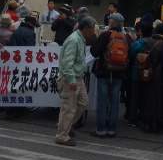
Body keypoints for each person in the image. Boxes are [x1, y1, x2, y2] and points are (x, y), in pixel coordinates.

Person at [55, 16, 97, 146]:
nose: (93, 32)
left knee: (83, 102)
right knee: (69, 108)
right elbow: (67, 62)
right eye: (92, 29)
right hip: (70, 78)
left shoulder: (80, 39)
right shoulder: (74, 40)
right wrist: (71, 80)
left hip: (78, 77)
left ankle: (66, 125)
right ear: (86, 29)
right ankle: (62, 136)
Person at [89, 12, 128, 138]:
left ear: (112, 22)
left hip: (104, 72)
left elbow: (94, 51)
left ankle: (101, 129)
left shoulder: (106, 35)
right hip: (119, 73)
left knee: (102, 101)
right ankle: (111, 130)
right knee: (115, 102)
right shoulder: (125, 37)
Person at [140, 22, 163, 133]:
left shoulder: (149, 41)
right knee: (158, 99)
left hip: (148, 73)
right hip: (158, 75)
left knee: (148, 98)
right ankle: (157, 122)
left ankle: (147, 122)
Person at [127, 21, 154, 127]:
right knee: (146, 96)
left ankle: (133, 118)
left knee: (135, 97)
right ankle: (144, 117)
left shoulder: (138, 43)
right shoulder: (154, 43)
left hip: (137, 72)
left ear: (141, 31)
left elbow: (131, 55)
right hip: (150, 72)